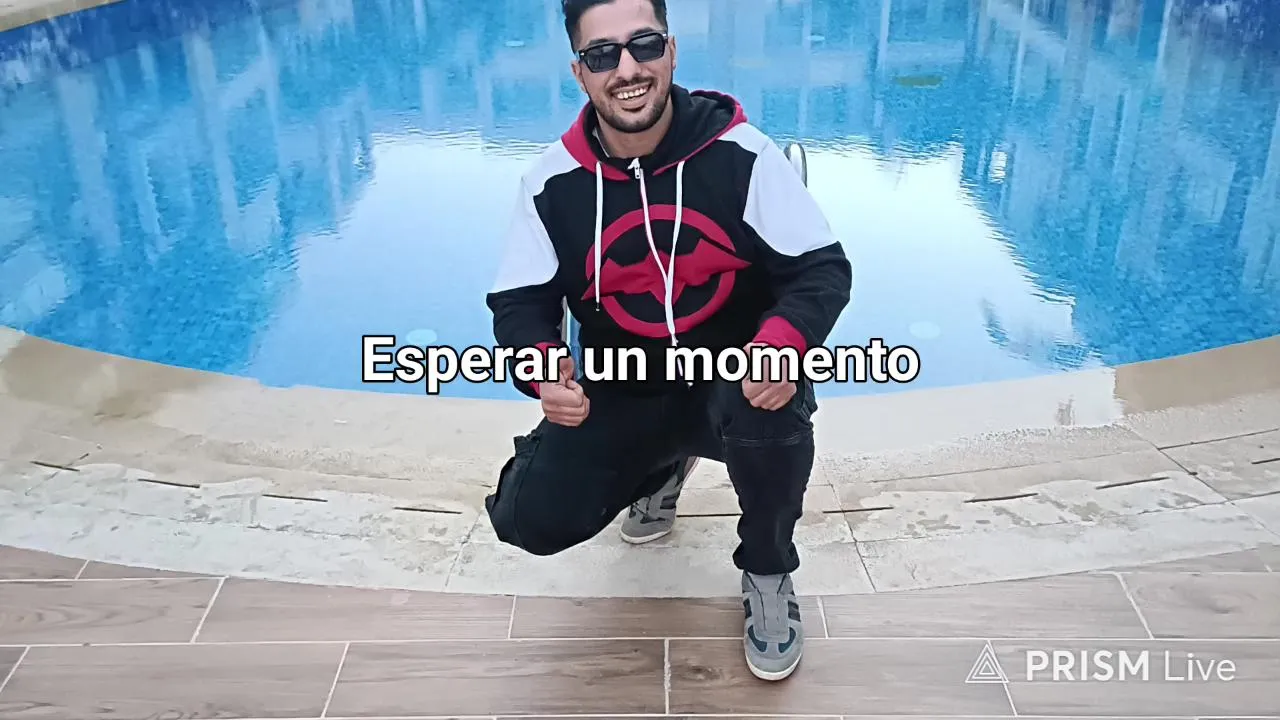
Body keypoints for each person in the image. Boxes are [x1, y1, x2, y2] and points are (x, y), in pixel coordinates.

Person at [483, 0, 852, 681]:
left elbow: (820, 270)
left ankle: (767, 568)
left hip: (733, 377)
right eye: (603, 54)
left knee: (770, 410)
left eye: (644, 45)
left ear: (672, 52)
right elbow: (520, 302)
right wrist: (541, 369)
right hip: (622, 384)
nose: (627, 68)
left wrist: (781, 343)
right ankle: (660, 470)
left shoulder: (743, 155)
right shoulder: (550, 184)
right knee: (526, 518)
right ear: (580, 72)